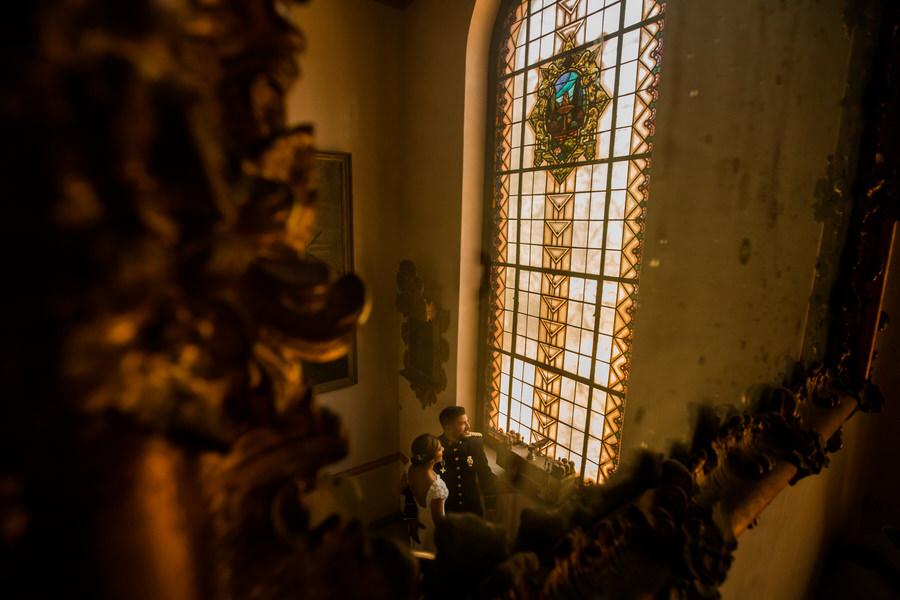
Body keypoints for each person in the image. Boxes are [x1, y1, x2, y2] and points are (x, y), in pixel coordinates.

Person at [405, 433, 448, 553]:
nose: (443, 449)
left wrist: (411, 516)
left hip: (418, 521)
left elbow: (401, 488)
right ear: (431, 458)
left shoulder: (410, 467)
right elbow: (439, 522)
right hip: (431, 530)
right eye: (440, 448)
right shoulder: (436, 488)